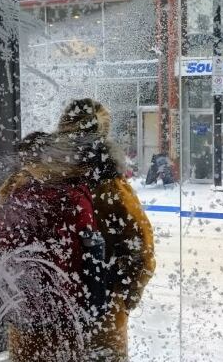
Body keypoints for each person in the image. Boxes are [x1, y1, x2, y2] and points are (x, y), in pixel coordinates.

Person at [0, 131, 104, 361]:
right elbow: (92, 251)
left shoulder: (14, 194)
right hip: (66, 310)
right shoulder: (73, 195)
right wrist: (93, 304)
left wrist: (7, 302)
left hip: (26, 310)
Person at [55, 98, 156, 361]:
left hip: (41, 321)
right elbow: (142, 251)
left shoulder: (32, 179)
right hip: (100, 320)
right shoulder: (111, 189)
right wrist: (124, 299)